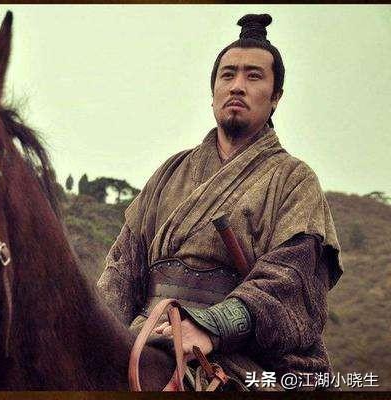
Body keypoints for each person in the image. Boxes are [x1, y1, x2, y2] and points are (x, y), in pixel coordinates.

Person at [97, 14, 342, 391]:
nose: (237, 86)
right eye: (228, 75)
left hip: (238, 355)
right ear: (213, 92)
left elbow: (289, 283)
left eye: (254, 76)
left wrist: (212, 327)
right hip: (147, 337)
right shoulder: (170, 173)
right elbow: (121, 270)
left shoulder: (293, 180)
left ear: (275, 98)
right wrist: (93, 332)